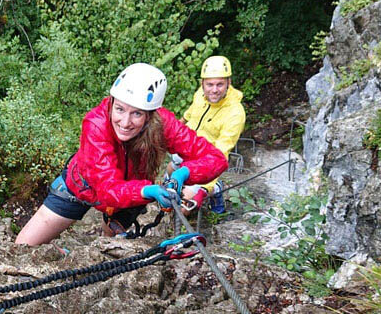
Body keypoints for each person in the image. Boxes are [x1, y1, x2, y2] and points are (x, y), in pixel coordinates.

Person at [15, 63, 228, 246]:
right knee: (24, 245)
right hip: (82, 188)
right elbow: (107, 189)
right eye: (119, 109)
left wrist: (185, 174)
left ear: (151, 115)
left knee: (112, 247)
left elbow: (216, 159)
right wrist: (147, 190)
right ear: (111, 102)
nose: (125, 123)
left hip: (131, 194)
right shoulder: (96, 124)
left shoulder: (163, 124)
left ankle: (105, 239)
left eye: (137, 113)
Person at [180, 55, 246, 214]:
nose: (214, 90)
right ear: (202, 83)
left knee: (183, 207)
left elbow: (219, 156)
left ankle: (215, 189)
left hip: (207, 159)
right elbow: (188, 116)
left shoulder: (235, 114)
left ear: (229, 83)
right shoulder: (200, 95)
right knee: (170, 178)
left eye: (220, 84)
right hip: (187, 151)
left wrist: (203, 189)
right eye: (209, 84)